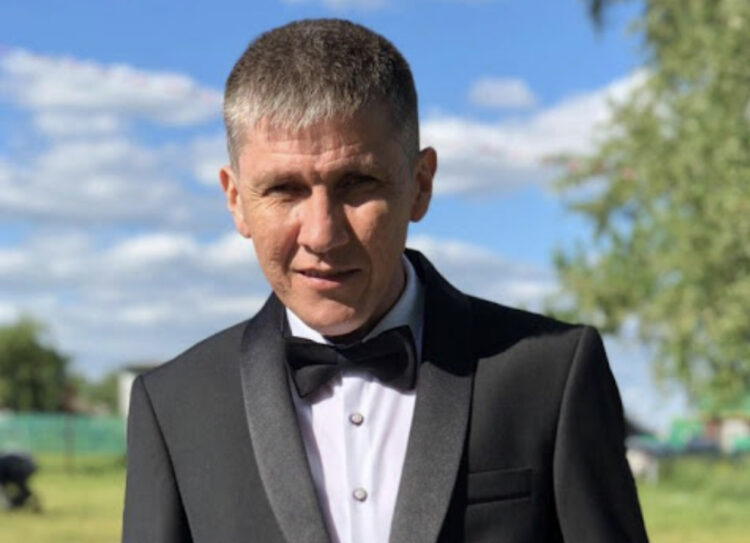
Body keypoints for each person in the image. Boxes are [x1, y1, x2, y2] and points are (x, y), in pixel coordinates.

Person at [122, 18, 649, 543]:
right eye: (284, 190)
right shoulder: (172, 406)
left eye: (357, 183)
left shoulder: (551, 375)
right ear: (236, 200)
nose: (322, 234)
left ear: (420, 185)